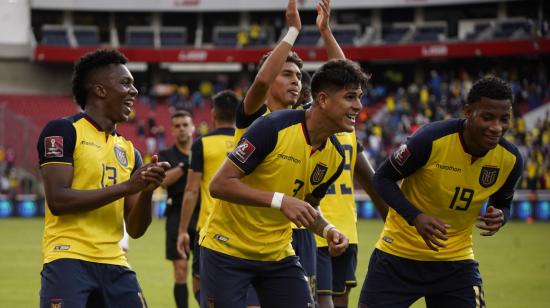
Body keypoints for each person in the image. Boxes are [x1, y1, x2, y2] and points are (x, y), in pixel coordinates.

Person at [198, 58, 369, 308]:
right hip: (227, 250)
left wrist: (328, 230)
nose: (359, 106)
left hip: (278, 254)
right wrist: (281, 201)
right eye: (350, 97)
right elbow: (220, 185)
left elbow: (308, 208)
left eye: (359, 97)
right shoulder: (272, 127)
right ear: (322, 99)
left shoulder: (335, 156)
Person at [359, 76, 524, 308]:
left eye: (504, 119)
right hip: (397, 258)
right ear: (468, 112)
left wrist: (501, 216)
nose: (496, 127)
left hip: (456, 263)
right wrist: (416, 217)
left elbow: (503, 203)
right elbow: (382, 179)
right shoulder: (430, 139)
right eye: (487, 117)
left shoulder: (511, 160)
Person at [37, 49, 170, 307]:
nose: (134, 92)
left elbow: (135, 229)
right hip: (68, 257)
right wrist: (127, 187)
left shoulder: (130, 152)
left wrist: (146, 191)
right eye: (125, 83)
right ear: (99, 90)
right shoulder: (63, 130)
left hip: (115, 261)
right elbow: (58, 200)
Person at [176, 90, 240, 305]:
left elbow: (192, 189)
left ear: (213, 113)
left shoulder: (201, 144)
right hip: (244, 227)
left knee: (201, 285)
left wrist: (183, 229)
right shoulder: (248, 140)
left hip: (210, 227)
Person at [158, 110, 196, 308]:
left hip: (202, 215)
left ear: (193, 127)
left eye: (185, 124)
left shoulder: (203, 150)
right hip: (176, 214)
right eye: (177, 126)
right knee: (180, 270)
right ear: (172, 130)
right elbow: (163, 182)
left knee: (203, 273)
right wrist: (185, 165)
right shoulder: (166, 155)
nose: (182, 129)